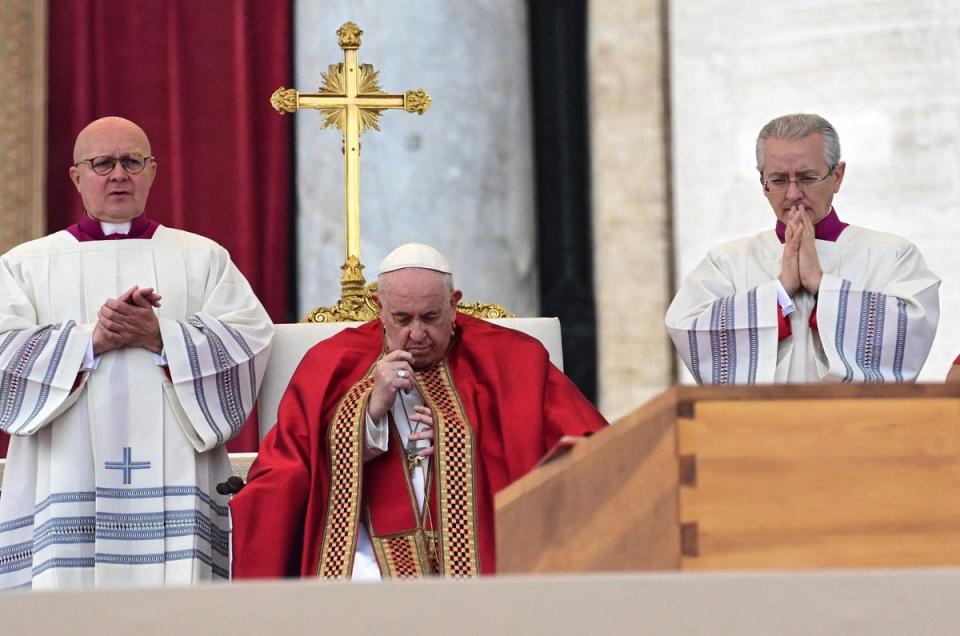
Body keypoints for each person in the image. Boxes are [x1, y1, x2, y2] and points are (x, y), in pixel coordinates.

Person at [0, 116, 273, 588]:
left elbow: (248, 339)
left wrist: (161, 336)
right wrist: (90, 341)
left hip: (177, 482)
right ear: (76, 177)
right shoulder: (27, 264)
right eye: (102, 163)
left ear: (152, 171)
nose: (118, 174)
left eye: (132, 161)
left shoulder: (202, 258)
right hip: (67, 473)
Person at [230, 243, 608, 579]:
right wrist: (367, 415)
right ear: (379, 307)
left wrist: (461, 440)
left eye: (430, 317)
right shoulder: (332, 363)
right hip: (369, 553)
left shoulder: (514, 359)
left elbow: (588, 451)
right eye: (401, 319)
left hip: (486, 549)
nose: (416, 334)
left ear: (454, 304)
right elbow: (287, 463)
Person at [665, 113, 940, 384]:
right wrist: (779, 292)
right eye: (779, 180)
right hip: (761, 425)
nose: (793, 194)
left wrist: (821, 286)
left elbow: (911, 327)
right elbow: (687, 327)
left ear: (838, 177)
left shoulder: (891, 255)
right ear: (763, 182)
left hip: (855, 424)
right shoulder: (727, 262)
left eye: (807, 178)